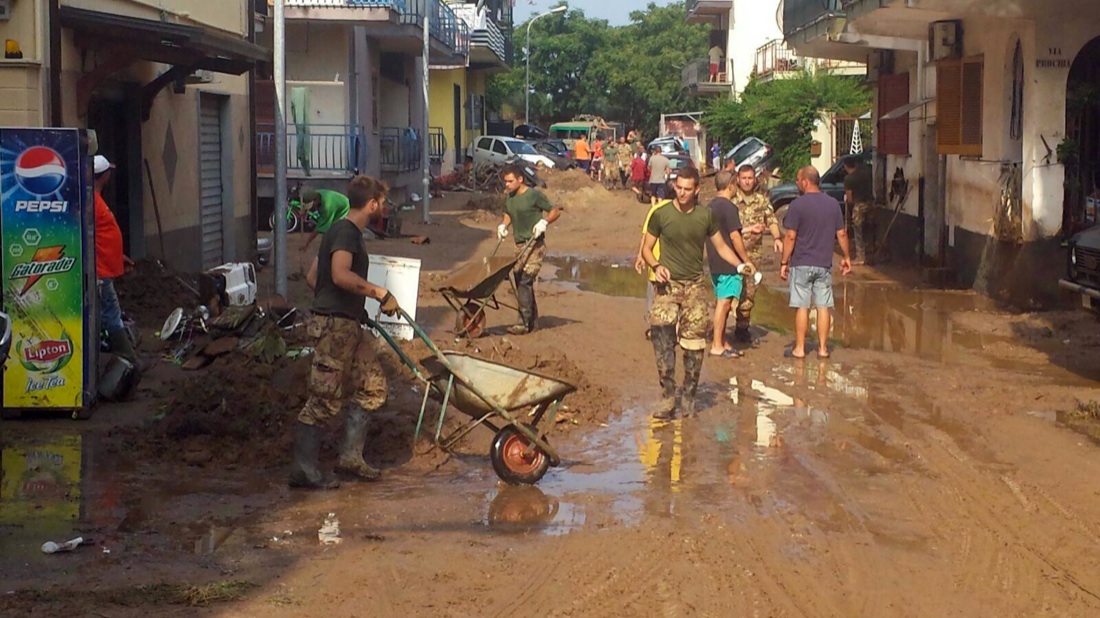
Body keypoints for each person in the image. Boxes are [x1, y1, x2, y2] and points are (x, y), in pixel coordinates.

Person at [291, 175, 401, 490]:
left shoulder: (342, 230)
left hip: (348, 323)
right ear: (372, 204)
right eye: (383, 202)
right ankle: (303, 470)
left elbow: (315, 277)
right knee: (324, 399)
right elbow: (339, 275)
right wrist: (377, 292)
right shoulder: (345, 233)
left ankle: (350, 458)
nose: (385, 207)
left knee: (373, 387)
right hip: (335, 327)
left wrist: (348, 304)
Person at [640, 167, 747, 420]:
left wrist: (741, 264)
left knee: (695, 346)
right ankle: (668, 397)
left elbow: (721, 247)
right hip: (667, 287)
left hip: (695, 288)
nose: (682, 193)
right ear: (674, 186)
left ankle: (688, 396)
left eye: (688, 189)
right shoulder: (661, 214)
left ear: (697, 189)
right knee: (662, 341)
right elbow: (646, 248)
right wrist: (656, 266)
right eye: (679, 188)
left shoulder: (705, 216)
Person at [779, 166, 852, 360]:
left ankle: (800, 349)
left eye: (797, 179)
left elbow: (790, 236)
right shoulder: (832, 204)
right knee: (823, 306)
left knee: (802, 306)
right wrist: (846, 257)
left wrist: (784, 262)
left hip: (801, 262)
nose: (796, 183)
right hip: (823, 263)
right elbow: (842, 233)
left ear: (805, 181)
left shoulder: (797, 205)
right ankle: (822, 349)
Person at [497, 164, 562, 334]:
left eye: (510, 181)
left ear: (520, 179)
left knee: (525, 280)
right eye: (505, 181)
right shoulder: (510, 197)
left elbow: (555, 211)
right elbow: (509, 213)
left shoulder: (533, 195)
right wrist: (503, 226)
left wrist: (544, 222)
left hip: (535, 245)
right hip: (520, 245)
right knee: (519, 279)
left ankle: (523, 323)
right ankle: (532, 320)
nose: (507, 184)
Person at [92, 155, 137, 364]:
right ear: (104, 176)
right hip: (100, 272)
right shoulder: (92, 202)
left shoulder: (96, 200)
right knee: (111, 313)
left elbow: (101, 237)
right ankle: (127, 358)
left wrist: (119, 256)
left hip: (105, 268)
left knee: (106, 313)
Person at [733, 164, 784, 344]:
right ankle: (721, 328)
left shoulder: (762, 201)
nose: (747, 181)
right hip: (731, 255)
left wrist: (777, 238)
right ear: (738, 179)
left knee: (749, 293)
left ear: (755, 179)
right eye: (744, 178)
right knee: (727, 292)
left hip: (753, 255)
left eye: (750, 178)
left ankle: (742, 327)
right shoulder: (731, 201)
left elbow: (771, 220)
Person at [706, 171, 753, 358]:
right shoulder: (729, 207)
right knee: (724, 304)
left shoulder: (710, 206)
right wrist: (745, 261)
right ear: (731, 185)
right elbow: (735, 236)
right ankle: (717, 345)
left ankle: (722, 341)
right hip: (729, 262)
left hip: (714, 260)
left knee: (722, 301)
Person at [297, 188, 351, 254]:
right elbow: (308, 205)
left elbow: (317, 229)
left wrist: (306, 244)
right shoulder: (315, 194)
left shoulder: (326, 208)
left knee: (333, 229)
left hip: (343, 207)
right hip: (335, 202)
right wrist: (304, 213)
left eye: (312, 205)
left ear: (316, 200)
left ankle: (336, 248)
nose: (312, 207)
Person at [843, 158, 874, 264]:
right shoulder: (865, 175)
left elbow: (850, 197)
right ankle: (871, 253)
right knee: (870, 229)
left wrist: (850, 207)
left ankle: (860, 256)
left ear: (845, 166)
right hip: (870, 204)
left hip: (859, 206)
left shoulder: (848, 179)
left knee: (858, 230)